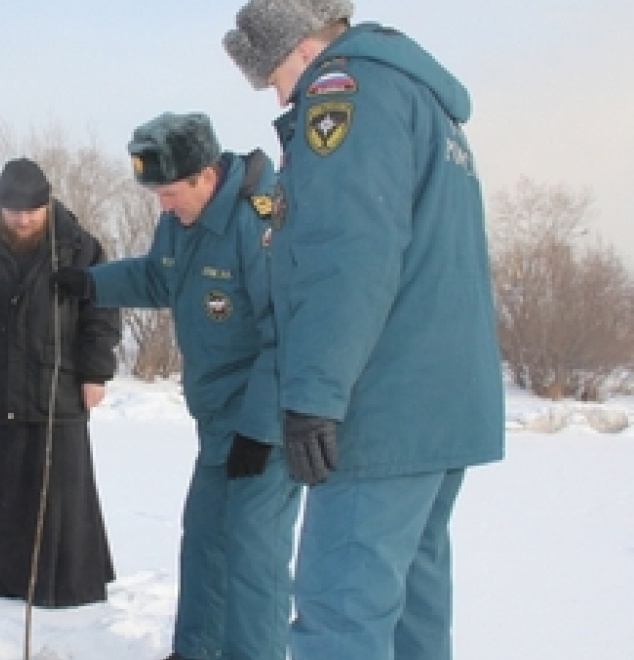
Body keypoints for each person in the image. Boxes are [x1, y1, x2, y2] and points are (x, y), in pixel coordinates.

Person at [223, 2, 505, 658]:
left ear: (300, 50)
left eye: (273, 79)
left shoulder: (343, 92)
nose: (280, 98)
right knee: (410, 613)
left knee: (341, 617)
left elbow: (345, 257)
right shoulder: (421, 97)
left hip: (381, 405)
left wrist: (313, 398)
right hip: (441, 405)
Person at [53, 113, 302, 659]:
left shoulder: (258, 222)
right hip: (218, 420)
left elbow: (287, 334)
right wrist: (89, 283)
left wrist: (260, 430)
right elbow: (159, 276)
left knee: (254, 558)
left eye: (169, 193)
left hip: (265, 422)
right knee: (206, 542)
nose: (163, 206)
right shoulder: (181, 220)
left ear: (206, 175)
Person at [0, 158, 121, 608]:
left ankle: (66, 586)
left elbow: (101, 315)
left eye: (31, 211)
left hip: (57, 388)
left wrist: (95, 372)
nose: (22, 220)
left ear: (47, 203)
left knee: (60, 497)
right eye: (13, 211)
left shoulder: (80, 250)